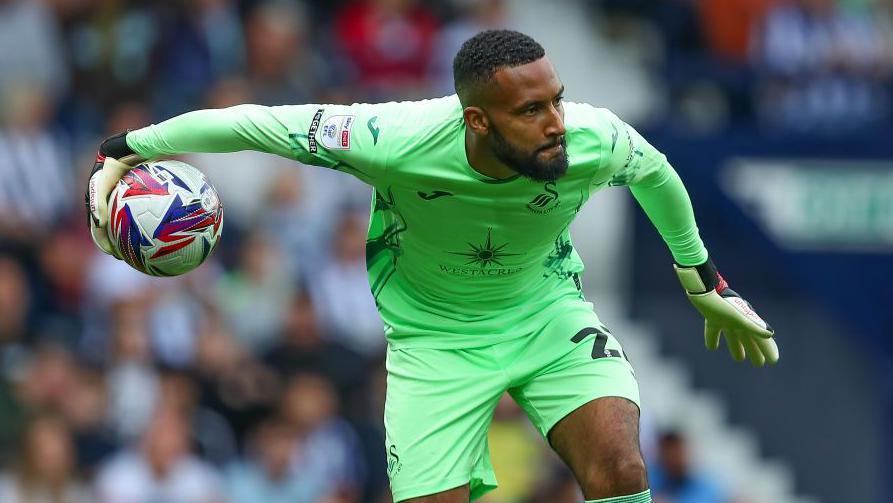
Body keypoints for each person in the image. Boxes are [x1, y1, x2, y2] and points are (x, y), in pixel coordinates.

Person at [84, 29, 778, 503]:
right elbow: (254, 124)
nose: (556, 123)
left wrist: (703, 281)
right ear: (476, 121)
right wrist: (123, 147)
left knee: (620, 466)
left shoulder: (593, 137)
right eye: (531, 109)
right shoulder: (395, 139)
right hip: (434, 345)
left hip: (546, 315)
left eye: (556, 98)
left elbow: (657, 176)